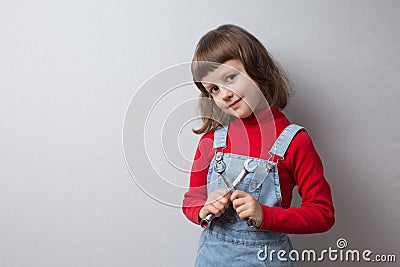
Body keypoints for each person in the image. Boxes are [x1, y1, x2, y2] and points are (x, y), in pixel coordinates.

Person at [182, 24, 335, 266]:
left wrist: (265, 215)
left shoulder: (295, 143)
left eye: (230, 77)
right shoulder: (211, 142)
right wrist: (204, 209)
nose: (224, 94)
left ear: (257, 69)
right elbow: (192, 199)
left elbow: (322, 214)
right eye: (214, 89)